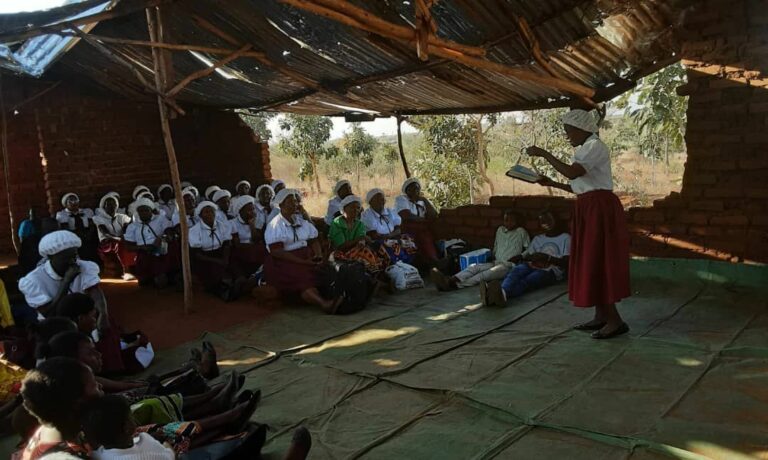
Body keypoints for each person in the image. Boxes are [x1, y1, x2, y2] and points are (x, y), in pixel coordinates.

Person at [525, 109, 630, 339]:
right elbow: (579, 186)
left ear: (583, 128)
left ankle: (615, 320)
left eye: (569, 131)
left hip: (598, 209)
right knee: (591, 259)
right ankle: (602, 315)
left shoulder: (595, 146)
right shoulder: (585, 150)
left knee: (598, 259)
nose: (568, 136)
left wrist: (544, 153)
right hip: (588, 207)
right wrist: (551, 182)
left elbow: (573, 174)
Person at [264, 189, 342, 313]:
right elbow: (277, 252)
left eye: (295, 201)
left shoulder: (301, 221)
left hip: (306, 256)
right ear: (280, 205)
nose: (294, 204)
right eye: (290, 202)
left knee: (326, 269)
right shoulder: (275, 225)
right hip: (284, 261)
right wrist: (302, 262)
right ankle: (324, 304)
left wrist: (318, 255)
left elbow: (313, 240)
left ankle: (335, 296)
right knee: (303, 276)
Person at [18, 231, 109, 329]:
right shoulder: (33, 280)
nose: (72, 261)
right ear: (50, 257)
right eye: (66, 258)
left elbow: (95, 292)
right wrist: (66, 281)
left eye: (74, 256)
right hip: (54, 327)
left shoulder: (83, 266)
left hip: (84, 321)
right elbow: (50, 315)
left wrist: (103, 314)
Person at [18, 357, 104, 459]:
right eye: (94, 385)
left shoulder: (49, 429)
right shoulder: (67, 456)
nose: (101, 386)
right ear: (76, 401)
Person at [481, 211, 570, 307]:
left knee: (529, 280)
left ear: (557, 220)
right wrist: (530, 258)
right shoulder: (538, 238)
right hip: (532, 264)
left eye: (549, 220)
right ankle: (501, 293)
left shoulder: (566, 238)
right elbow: (528, 255)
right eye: (542, 221)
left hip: (550, 271)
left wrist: (547, 258)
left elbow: (566, 262)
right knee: (514, 272)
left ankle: (496, 295)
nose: (546, 223)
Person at [431, 210, 530, 291]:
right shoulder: (500, 230)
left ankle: (455, 285)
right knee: (474, 267)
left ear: (517, 221)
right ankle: (451, 279)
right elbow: (496, 245)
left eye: (512, 220)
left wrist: (520, 256)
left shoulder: (521, 232)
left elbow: (529, 249)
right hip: (495, 261)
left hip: (508, 265)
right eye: (506, 220)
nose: (508, 223)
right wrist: (492, 255)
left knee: (483, 275)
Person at [58, 294, 153, 375]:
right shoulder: (76, 345)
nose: (95, 320)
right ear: (81, 319)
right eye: (93, 317)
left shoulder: (82, 331)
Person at [328, 195, 390, 277]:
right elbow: (341, 246)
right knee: (364, 252)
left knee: (377, 247)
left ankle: (384, 271)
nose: (355, 210)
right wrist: (360, 239)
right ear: (344, 208)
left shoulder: (359, 223)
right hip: (340, 254)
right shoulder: (337, 223)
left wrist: (362, 241)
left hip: (355, 250)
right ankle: (376, 275)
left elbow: (361, 238)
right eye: (352, 207)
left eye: (358, 208)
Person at [189, 202, 239, 301]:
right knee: (212, 271)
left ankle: (237, 283)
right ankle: (222, 290)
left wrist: (225, 259)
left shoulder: (222, 225)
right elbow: (197, 254)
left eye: (212, 211)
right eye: (206, 212)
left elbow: (226, 244)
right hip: (204, 257)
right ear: (200, 215)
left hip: (220, 253)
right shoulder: (194, 230)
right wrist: (218, 261)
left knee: (234, 261)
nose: (210, 214)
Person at [123, 199, 177, 288]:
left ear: (151, 210)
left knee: (162, 282)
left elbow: (169, 231)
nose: (144, 213)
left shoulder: (160, 219)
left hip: (160, 251)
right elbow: (128, 247)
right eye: (141, 211)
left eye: (146, 210)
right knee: (143, 283)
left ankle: (168, 274)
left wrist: (162, 237)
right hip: (145, 253)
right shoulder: (133, 226)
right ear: (138, 212)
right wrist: (142, 247)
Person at [362, 188, 417, 265]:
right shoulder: (367, 215)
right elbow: (374, 235)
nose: (380, 201)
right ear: (370, 202)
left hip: (392, 236)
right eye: (377, 199)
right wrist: (390, 237)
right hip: (379, 240)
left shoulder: (389, 211)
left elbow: (398, 229)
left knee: (409, 238)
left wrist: (390, 235)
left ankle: (411, 263)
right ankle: (397, 265)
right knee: (390, 245)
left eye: (382, 199)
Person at [394, 178, 439, 262]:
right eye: (413, 189)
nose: (416, 191)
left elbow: (433, 215)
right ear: (407, 191)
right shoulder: (402, 199)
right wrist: (425, 221)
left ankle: (436, 258)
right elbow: (406, 215)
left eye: (417, 189)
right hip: (408, 229)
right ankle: (434, 260)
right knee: (424, 237)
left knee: (437, 234)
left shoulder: (421, 201)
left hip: (422, 228)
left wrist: (425, 200)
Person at [92, 193, 134, 280]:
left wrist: (123, 238)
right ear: (104, 206)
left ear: (117, 205)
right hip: (106, 243)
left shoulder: (122, 217)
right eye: (108, 204)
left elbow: (128, 229)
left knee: (129, 243)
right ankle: (126, 271)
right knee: (120, 244)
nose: (111, 206)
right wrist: (119, 239)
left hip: (121, 240)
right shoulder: (98, 218)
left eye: (113, 204)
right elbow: (105, 233)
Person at [230, 195, 267, 278]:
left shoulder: (255, 221)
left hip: (254, 251)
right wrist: (253, 246)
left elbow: (257, 239)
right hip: (240, 253)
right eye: (249, 210)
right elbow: (237, 245)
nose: (253, 212)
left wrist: (252, 225)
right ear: (240, 211)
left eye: (253, 209)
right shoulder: (232, 223)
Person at [56, 193, 99, 264]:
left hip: (88, 235)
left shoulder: (86, 211)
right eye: (71, 201)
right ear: (66, 204)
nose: (74, 203)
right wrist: (78, 237)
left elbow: (92, 225)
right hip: (73, 236)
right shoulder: (62, 214)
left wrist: (88, 235)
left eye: (76, 201)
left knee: (92, 244)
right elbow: (66, 229)